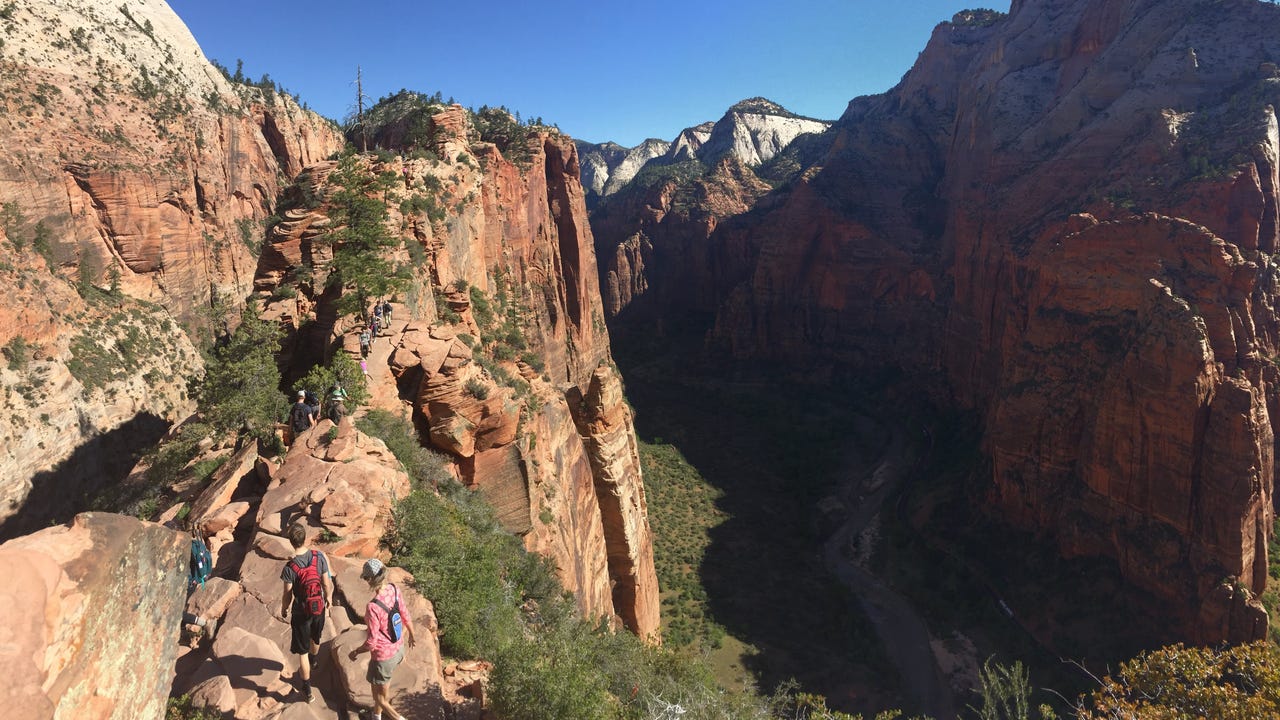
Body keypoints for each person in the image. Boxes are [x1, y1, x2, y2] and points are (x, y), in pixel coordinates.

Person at [348, 558, 415, 720]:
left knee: (379, 698)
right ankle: (376, 716)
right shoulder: (394, 589)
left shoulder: (373, 607)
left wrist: (356, 652)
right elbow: (405, 614)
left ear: (370, 579)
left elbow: (372, 642)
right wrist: (412, 635)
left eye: (365, 578)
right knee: (382, 688)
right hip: (398, 649)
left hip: (383, 658)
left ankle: (398, 718)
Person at [280, 522, 334, 703]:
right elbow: (326, 582)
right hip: (318, 606)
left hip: (301, 612)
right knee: (315, 638)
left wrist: (284, 608)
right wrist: (329, 598)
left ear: (291, 541)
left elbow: (287, 594)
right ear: (305, 538)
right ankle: (315, 659)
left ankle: (308, 690)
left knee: (301, 652)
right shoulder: (318, 557)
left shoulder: (290, 567)